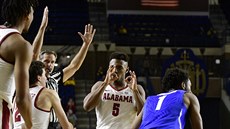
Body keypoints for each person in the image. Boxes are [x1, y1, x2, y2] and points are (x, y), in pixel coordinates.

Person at [32, 10, 96, 128]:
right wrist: (42, 28)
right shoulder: (32, 77)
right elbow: (34, 54)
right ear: (39, 62)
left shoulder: (55, 77)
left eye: (52, 62)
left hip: (54, 124)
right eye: (46, 61)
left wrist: (85, 45)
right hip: (38, 122)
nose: (49, 65)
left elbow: (74, 66)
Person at [0, 0, 38, 128]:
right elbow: (22, 99)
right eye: (33, 13)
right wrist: (29, 125)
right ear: (27, 15)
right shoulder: (21, 45)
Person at [83, 51, 146, 129]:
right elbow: (87, 106)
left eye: (119, 67)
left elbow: (144, 115)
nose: (115, 70)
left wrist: (135, 91)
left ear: (126, 69)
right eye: (112, 67)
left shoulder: (137, 89)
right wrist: (105, 84)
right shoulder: (99, 85)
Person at [131, 68, 203, 129]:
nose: (190, 90)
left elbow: (133, 127)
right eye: (190, 86)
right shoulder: (188, 96)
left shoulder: (150, 100)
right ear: (183, 85)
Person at [13, 61, 74, 129]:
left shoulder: (17, 96)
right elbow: (67, 127)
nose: (46, 78)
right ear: (39, 78)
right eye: (44, 75)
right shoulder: (48, 93)